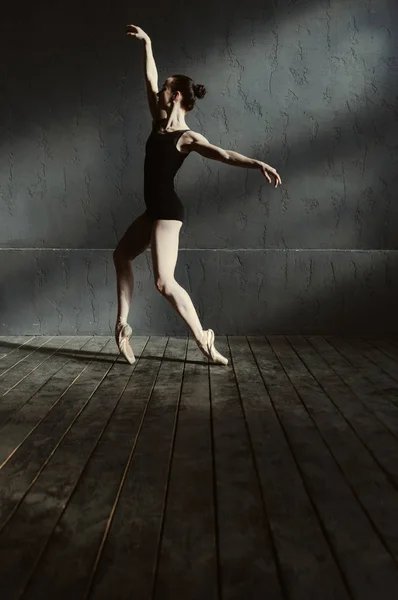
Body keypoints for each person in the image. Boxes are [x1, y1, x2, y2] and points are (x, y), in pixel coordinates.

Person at [113, 24, 282, 365]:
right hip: (152, 212)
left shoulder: (187, 137)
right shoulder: (158, 121)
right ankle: (122, 325)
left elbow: (224, 155)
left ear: (175, 95)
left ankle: (203, 338)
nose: (159, 91)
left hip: (168, 213)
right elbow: (149, 80)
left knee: (163, 282)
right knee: (121, 256)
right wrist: (148, 43)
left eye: (165, 89)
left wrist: (257, 163)